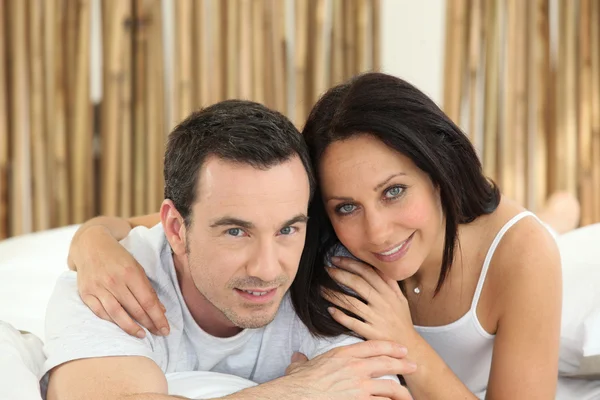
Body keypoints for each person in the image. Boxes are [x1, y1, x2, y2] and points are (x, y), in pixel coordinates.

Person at [67, 73, 587, 399]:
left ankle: (560, 215)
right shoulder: (324, 239)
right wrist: (92, 239)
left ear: (437, 167)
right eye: (346, 206)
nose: (377, 232)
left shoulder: (521, 254)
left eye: (394, 191)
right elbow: (173, 223)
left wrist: (405, 344)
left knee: (552, 235)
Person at [42, 100, 413, 400]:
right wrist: (294, 392)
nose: (268, 269)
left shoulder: (332, 281)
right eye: (236, 231)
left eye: (288, 229)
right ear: (175, 228)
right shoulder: (109, 286)